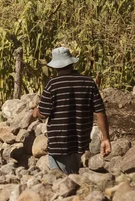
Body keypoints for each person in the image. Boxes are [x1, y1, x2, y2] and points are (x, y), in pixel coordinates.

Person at [32, 47, 111, 175]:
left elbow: (43, 113)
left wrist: (35, 112)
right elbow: (100, 111)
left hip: (59, 142)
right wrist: (105, 138)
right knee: (74, 175)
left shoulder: (53, 84)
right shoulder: (88, 83)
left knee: (59, 180)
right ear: (72, 63)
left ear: (55, 67)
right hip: (80, 141)